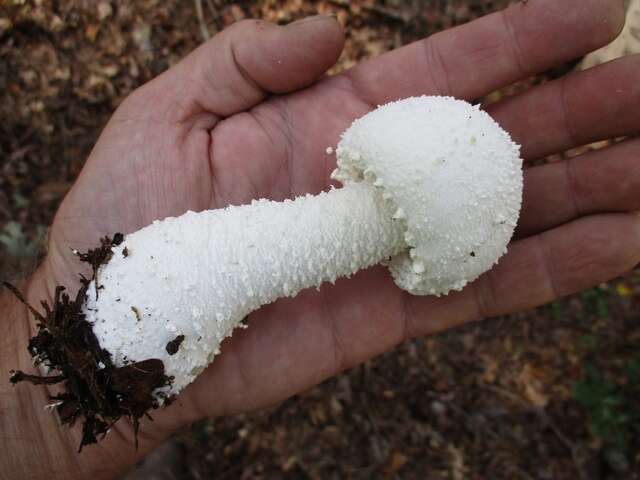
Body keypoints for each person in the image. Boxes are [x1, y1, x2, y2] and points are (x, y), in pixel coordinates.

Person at [1, 1, 639, 478]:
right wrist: (26, 422)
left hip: (163, 318)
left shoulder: (465, 204)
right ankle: (87, 374)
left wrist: (35, 425)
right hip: (161, 311)